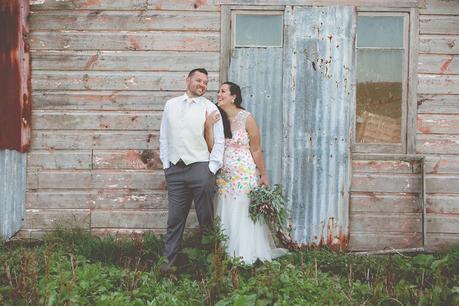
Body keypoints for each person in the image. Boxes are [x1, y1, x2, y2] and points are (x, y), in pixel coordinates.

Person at [205, 82, 286, 265]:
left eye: (223, 91)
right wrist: (208, 126)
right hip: (225, 175)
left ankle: (246, 252)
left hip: (245, 173)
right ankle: (227, 251)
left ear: (234, 96)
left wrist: (263, 174)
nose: (219, 94)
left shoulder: (246, 118)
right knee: (226, 209)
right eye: (218, 91)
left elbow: (256, 149)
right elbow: (211, 148)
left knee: (243, 210)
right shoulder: (217, 118)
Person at [159, 68, 224, 271]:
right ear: (188, 80)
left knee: (206, 218)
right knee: (175, 220)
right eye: (198, 80)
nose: (202, 85)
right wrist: (166, 166)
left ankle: (210, 264)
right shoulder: (170, 105)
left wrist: (211, 169)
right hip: (175, 171)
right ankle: (168, 263)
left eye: (205, 82)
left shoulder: (210, 107)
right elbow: (164, 137)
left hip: (200, 168)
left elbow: (219, 141)